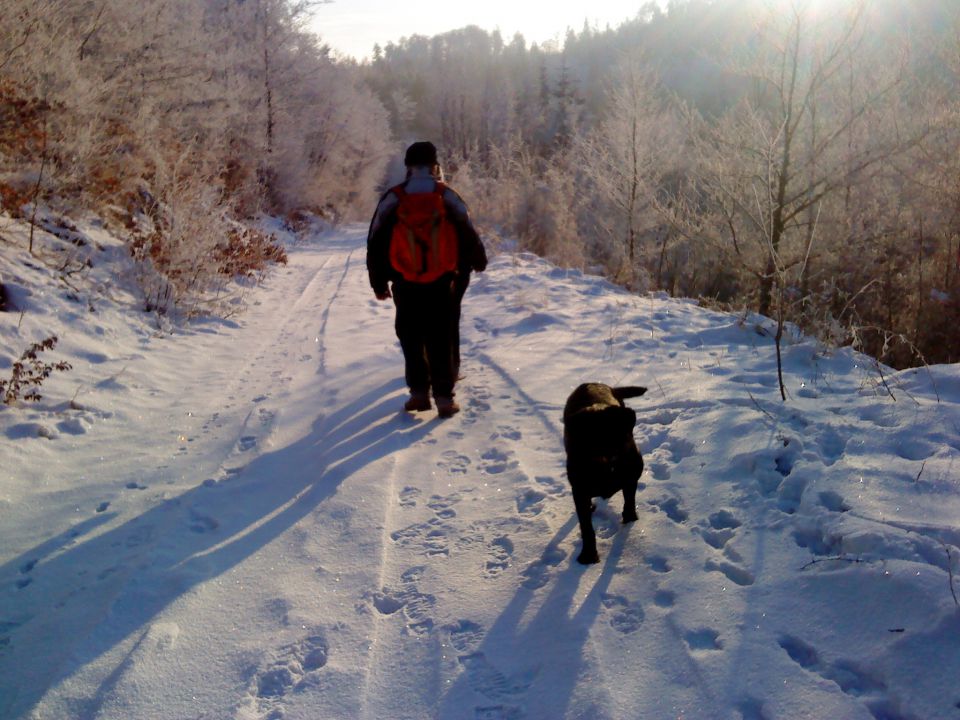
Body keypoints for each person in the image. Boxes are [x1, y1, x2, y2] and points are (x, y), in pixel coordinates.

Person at [366, 141, 487, 418]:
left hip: (405, 282)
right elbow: (467, 230)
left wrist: (378, 282)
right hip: (442, 281)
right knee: (440, 335)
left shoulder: (393, 198)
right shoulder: (446, 195)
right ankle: (444, 397)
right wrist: (478, 259)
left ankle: (419, 393)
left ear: (408, 167)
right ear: (435, 166)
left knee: (410, 335)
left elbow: (376, 241)